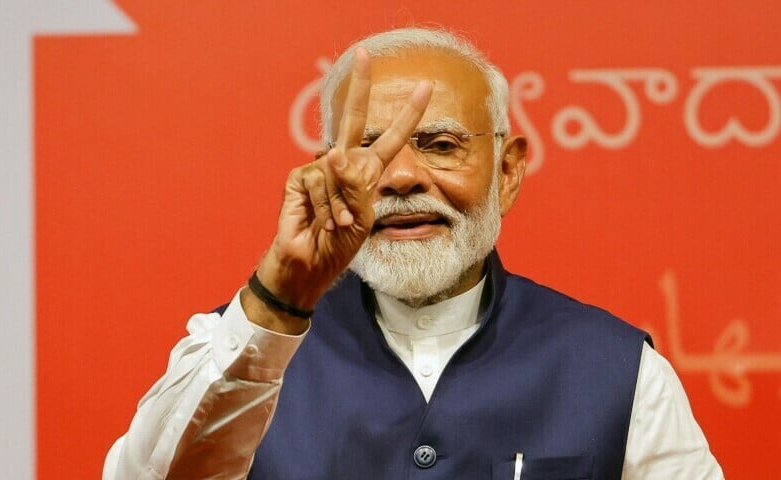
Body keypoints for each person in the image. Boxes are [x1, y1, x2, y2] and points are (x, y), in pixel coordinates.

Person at [103, 27, 723, 479]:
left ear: (506, 173)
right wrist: (277, 302)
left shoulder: (617, 370)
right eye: (368, 148)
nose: (399, 178)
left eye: (441, 144)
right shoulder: (244, 343)